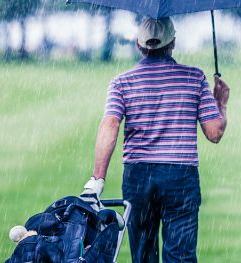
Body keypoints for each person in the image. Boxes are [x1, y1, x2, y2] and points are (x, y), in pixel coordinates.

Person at [80, 17, 229, 263]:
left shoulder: (122, 82)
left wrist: (98, 179)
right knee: (180, 257)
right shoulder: (195, 78)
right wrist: (220, 104)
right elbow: (214, 133)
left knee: (143, 256)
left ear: (139, 45)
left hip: (138, 178)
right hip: (181, 177)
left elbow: (110, 124)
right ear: (173, 43)